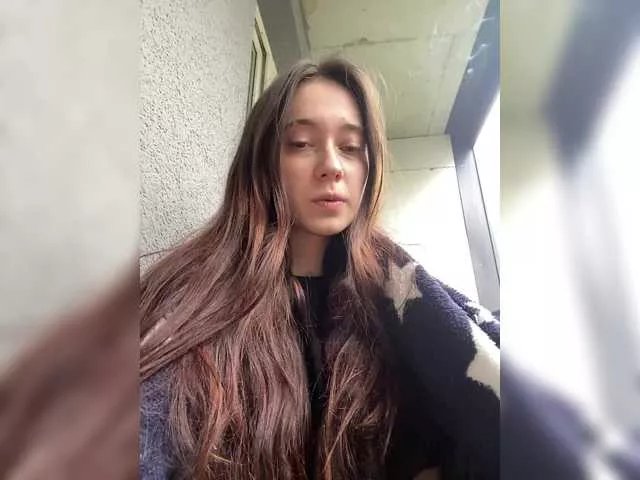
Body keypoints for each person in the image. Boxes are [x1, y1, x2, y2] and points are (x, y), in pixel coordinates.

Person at [139, 58, 500, 480]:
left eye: (351, 147)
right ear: (263, 161)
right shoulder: (194, 295)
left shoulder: (403, 303)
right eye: (301, 143)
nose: (332, 165)